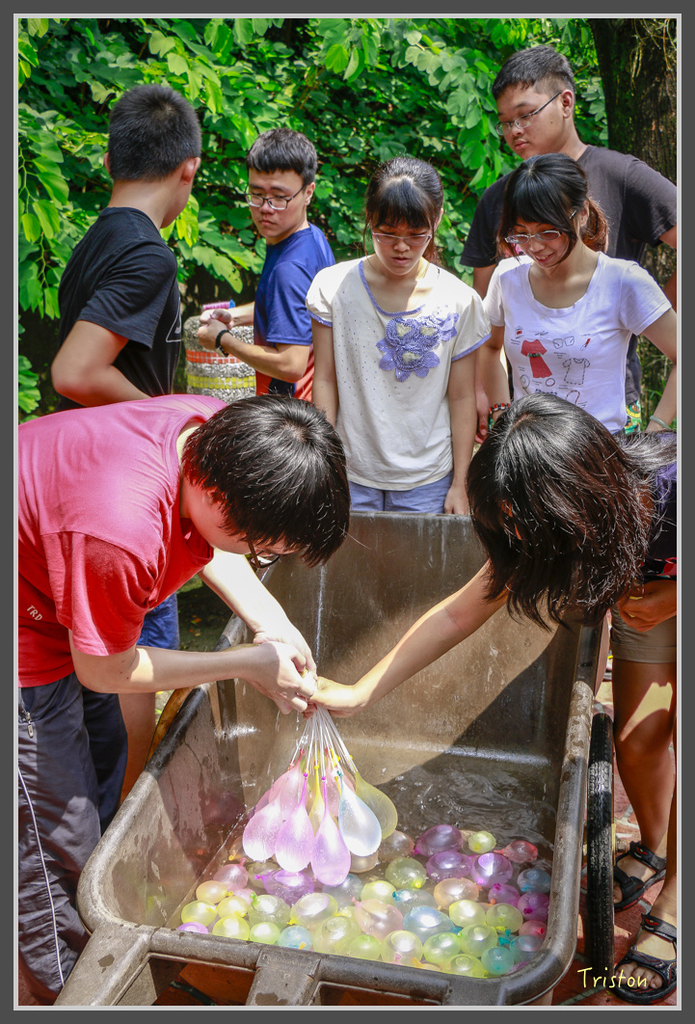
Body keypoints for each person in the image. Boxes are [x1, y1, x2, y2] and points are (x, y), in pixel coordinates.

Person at [312, 393, 677, 1005]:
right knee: (638, 742)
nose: (518, 539)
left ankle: (677, 904)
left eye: (527, 526)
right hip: (640, 588)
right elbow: (456, 614)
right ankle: (658, 848)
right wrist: (359, 690)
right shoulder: (544, 520)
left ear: (576, 500)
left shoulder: (671, 489)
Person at [18, 391, 350, 1003]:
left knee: (101, 775)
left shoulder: (217, 434)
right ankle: (63, 990)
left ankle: (86, 928)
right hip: (24, 636)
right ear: (220, 496)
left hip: (60, 592)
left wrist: (273, 624)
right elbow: (106, 670)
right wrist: (245, 664)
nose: (260, 557)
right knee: (51, 842)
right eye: (263, 548)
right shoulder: (121, 530)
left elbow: (215, 542)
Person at [50, 83, 203, 796]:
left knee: (91, 673)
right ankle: (122, 829)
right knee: (132, 670)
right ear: (188, 169)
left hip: (79, 487)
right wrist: (169, 424)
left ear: (111, 159)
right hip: (124, 495)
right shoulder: (148, 255)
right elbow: (77, 371)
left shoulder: (94, 242)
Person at [460, 44, 677, 436]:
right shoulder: (498, 198)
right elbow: (485, 320)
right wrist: (487, 398)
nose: (514, 130)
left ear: (565, 102)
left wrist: (656, 307)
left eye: (525, 115)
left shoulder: (622, 176)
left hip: (607, 411)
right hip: (531, 424)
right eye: (505, 122)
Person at [308, 156, 490, 514]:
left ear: (437, 220)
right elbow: (325, 379)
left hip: (429, 482)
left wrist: (461, 483)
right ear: (369, 218)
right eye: (387, 233)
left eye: (416, 235)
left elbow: (461, 397)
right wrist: (323, 465)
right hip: (349, 472)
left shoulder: (460, 300)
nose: (401, 247)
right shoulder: (333, 288)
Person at [478, 153, 676, 438]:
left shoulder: (622, 282)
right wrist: (501, 414)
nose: (534, 247)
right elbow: (489, 347)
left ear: (582, 213)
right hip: (530, 449)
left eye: (548, 232)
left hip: (600, 450)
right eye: (521, 234)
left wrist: (657, 429)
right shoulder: (507, 277)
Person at [196, 128, 335, 401]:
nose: (265, 208)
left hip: (291, 413)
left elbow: (291, 364)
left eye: (280, 197)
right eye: (256, 193)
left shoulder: (289, 268)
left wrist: (223, 339)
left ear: (308, 192)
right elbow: (295, 310)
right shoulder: (313, 238)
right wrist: (234, 317)